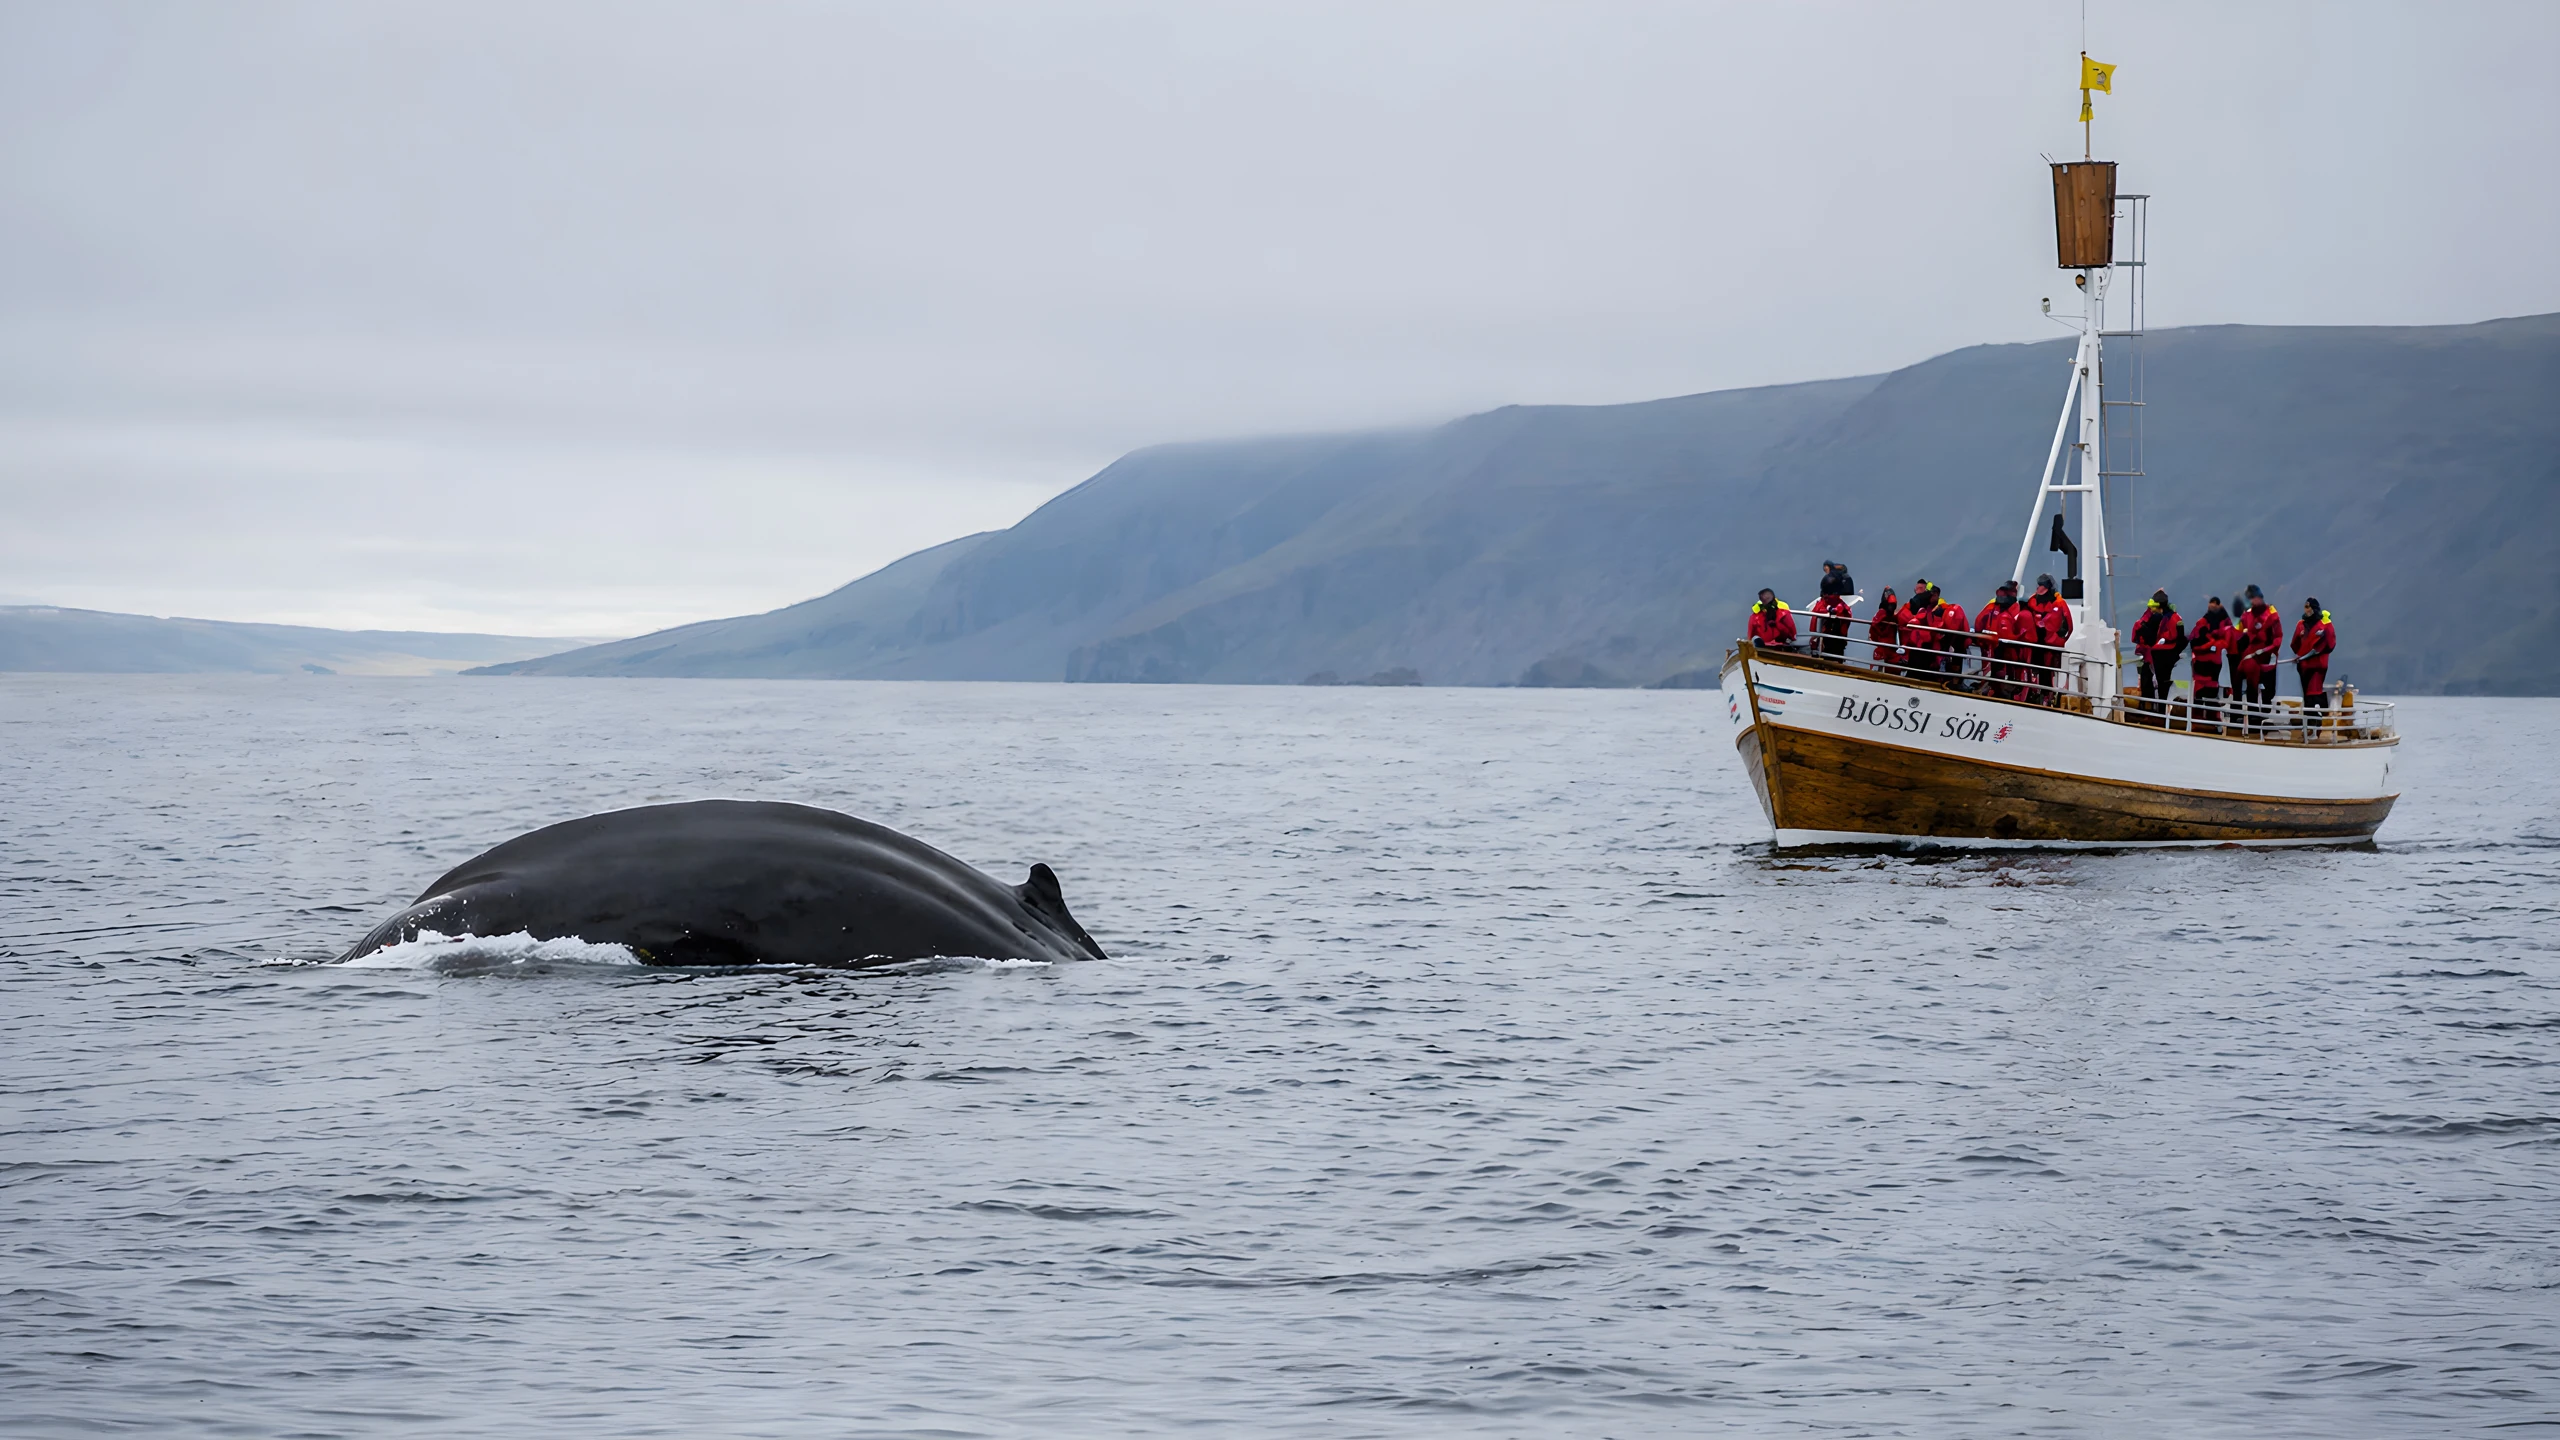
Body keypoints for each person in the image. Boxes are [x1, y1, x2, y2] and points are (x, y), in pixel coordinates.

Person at [2131, 589, 2185, 720]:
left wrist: (2164, 644)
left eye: (2154, 607)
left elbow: (2176, 638)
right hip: (2159, 655)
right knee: (2157, 684)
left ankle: (2159, 713)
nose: (2153, 610)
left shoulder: (2171, 619)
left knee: (2162, 685)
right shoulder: (2164, 618)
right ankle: (2155, 711)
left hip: (2164, 656)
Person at [2234, 584, 2282, 730]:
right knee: (2242, 673)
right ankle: (2246, 711)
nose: (2251, 601)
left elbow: (2278, 637)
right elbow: (2237, 632)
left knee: (2263, 684)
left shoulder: (2271, 614)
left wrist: (2269, 651)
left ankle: (2259, 712)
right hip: (2250, 654)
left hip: (2265, 654)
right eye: (2249, 599)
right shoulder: (2246, 615)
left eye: (2253, 598)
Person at [2024, 573, 2073, 703]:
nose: (2041, 588)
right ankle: (2034, 691)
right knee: (2034, 668)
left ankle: (2048, 694)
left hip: (2051, 644)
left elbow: (2068, 626)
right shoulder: (2032, 601)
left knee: (2049, 671)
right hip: (2035, 642)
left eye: (2043, 585)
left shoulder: (2060, 604)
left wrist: (2059, 640)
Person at [2188, 596, 2235, 732]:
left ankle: (2212, 720)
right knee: (2201, 692)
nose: (2212, 608)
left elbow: (2226, 642)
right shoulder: (2202, 622)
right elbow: (2194, 641)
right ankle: (2199, 720)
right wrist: (2210, 644)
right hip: (2204, 664)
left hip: (2215, 665)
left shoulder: (2224, 624)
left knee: (2212, 693)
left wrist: (2210, 645)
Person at [2292, 597, 2337, 724]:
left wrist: (2318, 651)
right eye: (2305, 606)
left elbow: (2331, 644)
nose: (2307, 609)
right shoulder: (2300, 625)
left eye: (2309, 606)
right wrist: (2300, 654)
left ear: (2315, 608)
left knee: (2313, 692)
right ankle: (2309, 723)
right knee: (2307, 695)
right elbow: (2294, 644)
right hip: (2303, 665)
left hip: (2318, 665)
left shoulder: (2325, 625)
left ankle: (2316, 720)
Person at [1810, 562, 1855, 659]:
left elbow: (1814, 622)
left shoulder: (1824, 605)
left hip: (1829, 642)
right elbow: (1846, 621)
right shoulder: (1842, 606)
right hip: (1830, 642)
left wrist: (1813, 640)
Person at [1866, 586, 1906, 677]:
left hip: (1891, 647)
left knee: (1894, 670)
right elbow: (1874, 626)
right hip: (1883, 647)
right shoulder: (1882, 613)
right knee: (1877, 673)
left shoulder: (1892, 616)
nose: (1891, 608)